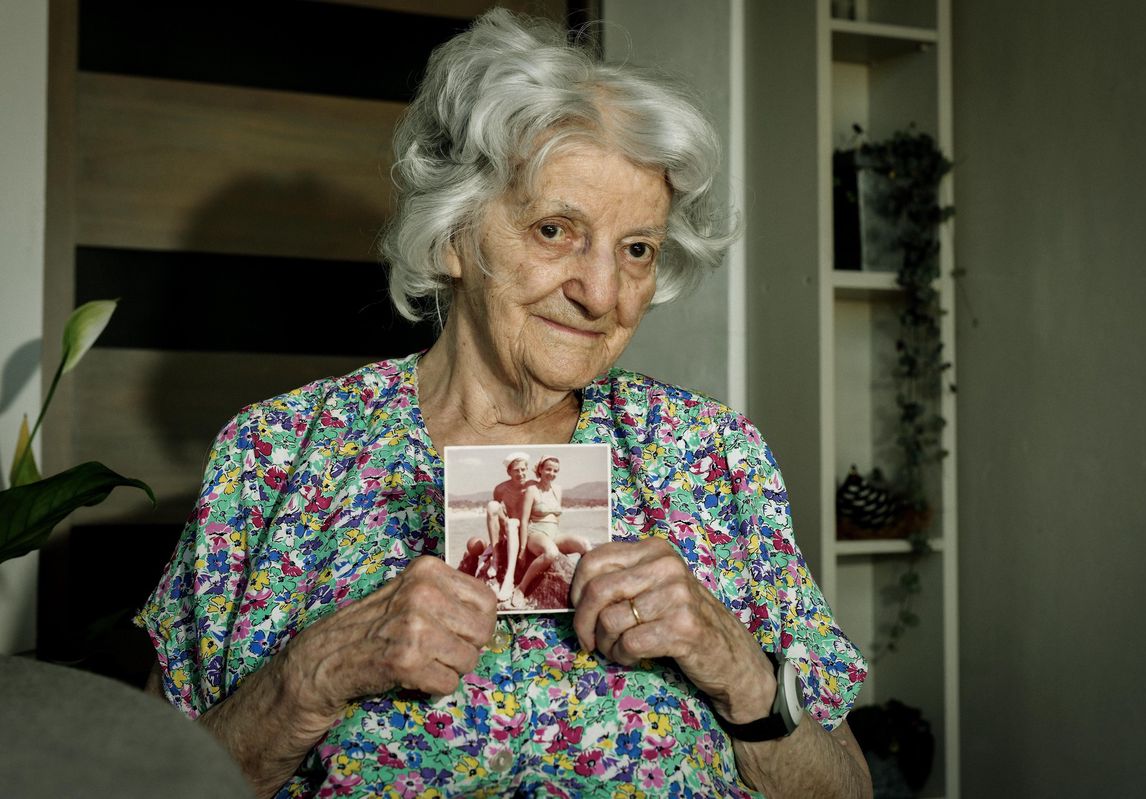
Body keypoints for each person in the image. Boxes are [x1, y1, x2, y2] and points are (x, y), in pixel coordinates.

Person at [136, 9, 871, 798]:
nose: (601, 292)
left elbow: (848, 789)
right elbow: (146, 783)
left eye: (637, 250)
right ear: (453, 235)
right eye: (556, 229)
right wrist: (310, 676)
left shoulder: (713, 455)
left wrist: (739, 671)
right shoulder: (276, 453)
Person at [514, 456, 593, 604]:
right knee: (551, 552)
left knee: (585, 545)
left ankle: (584, 583)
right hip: (536, 532)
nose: (551, 473)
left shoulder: (558, 489)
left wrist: (561, 541)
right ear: (540, 470)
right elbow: (524, 521)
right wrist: (522, 549)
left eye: (555, 470)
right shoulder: (531, 490)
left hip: (554, 533)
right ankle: (521, 588)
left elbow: (557, 518)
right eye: (548, 469)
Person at [484, 451, 533, 601]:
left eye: (523, 469)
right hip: (509, 527)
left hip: (525, 529)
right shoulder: (500, 489)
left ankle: (509, 578)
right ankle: (496, 557)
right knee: (492, 506)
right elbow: (498, 515)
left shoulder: (531, 488)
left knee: (513, 523)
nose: (521, 473)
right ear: (509, 472)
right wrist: (499, 536)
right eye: (516, 470)